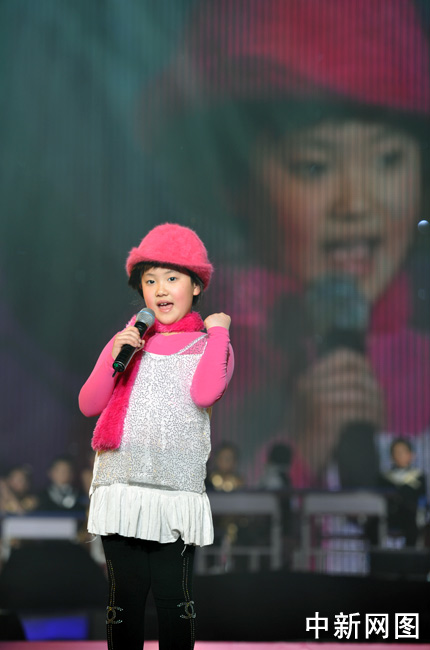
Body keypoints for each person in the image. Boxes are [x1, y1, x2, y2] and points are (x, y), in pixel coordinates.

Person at [141, 0, 430, 489]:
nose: (356, 204)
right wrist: (297, 449)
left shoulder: (420, 366)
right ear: (236, 182)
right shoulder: (184, 358)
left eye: (388, 161)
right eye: (314, 166)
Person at [79, 223, 233, 650]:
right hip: (122, 489)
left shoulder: (209, 345)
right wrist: (115, 355)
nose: (160, 289)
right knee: (123, 602)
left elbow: (205, 393)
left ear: (196, 286)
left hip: (174, 494)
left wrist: (220, 332)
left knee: (174, 601)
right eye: (150, 281)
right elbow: (89, 404)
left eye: (171, 278)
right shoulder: (128, 341)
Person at [380, 438, 427, 546]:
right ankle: (378, 554)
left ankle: (409, 554)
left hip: (410, 516)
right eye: (397, 452)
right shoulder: (384, 478)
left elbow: (422, 499)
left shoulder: (419, 477)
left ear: (411, 455)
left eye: (403, 452)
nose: (400, 455)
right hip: (389, 516)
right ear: (392, 456)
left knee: (413, 523)